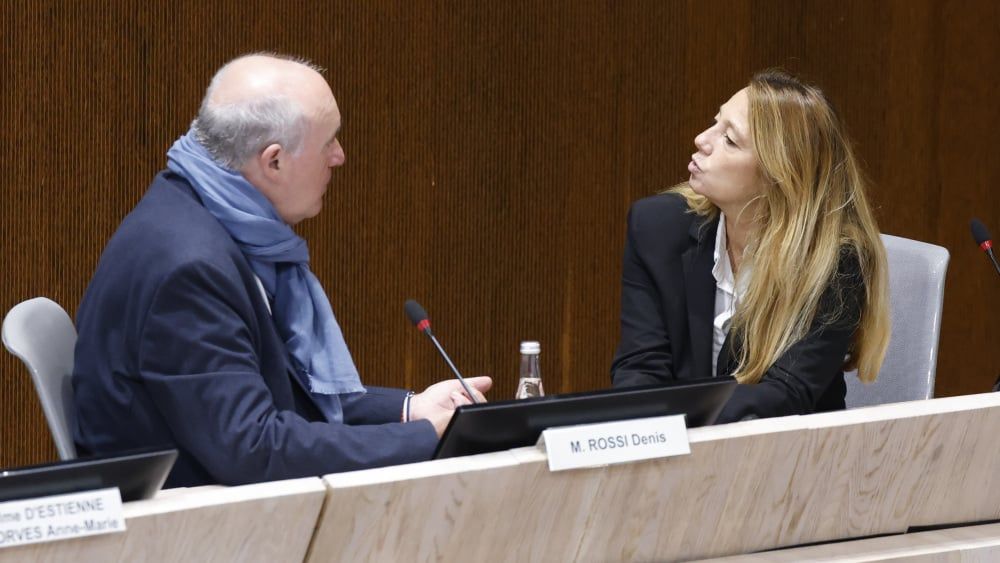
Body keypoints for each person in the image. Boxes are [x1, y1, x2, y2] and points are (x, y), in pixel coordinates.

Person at [72, 53, 491, 487]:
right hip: (191, 517)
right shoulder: (189, 270)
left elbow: (281, 392)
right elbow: (255, 450)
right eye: (328, 142)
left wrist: (411, 410)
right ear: (273, 162)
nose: (339, 157)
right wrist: (429, 437)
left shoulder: (204, 209)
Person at [610, 70, 890, 423]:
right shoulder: (656, 227)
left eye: (729, 139)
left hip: (788, 451)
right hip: (680, 449)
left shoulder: (833, 263)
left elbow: (782, 397)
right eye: (716, 122)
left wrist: (671, 417)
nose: (701, 139)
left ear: (778, 176)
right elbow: (640, 369)